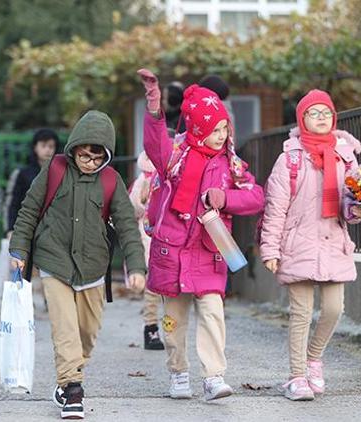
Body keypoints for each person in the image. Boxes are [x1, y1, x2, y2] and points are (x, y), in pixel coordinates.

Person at [9, 110, 146, 420]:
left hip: (94, 266)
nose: (90, 162)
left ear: (106, 156)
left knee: (87, 332)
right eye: (84, 155)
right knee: (65, 329)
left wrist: (136, 267)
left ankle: (68, 376)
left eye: (97, 157)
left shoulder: (112, 180)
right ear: (74, 148)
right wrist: (18, 248)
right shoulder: (55, 169)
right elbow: (29, 210)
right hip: (53, 259)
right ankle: (73, 390)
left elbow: (126, 225)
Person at [138, 69, 264, 401]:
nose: (222, 135)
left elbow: (255, 196)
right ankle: (178, 372)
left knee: (212, 314)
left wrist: (226, 199)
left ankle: (213, 376)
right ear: (197, 128)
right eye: (215, 129)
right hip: (173, 252)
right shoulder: (175, 158)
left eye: (225, 128)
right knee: (173, 321)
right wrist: (154, 107)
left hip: (210, 252)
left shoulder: (231, 164)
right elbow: (154, 144)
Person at [259, 89, 361, 401]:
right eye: (313, 113)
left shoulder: (346, 157)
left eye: (326, 113)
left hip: (334, 243)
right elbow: (275, 207)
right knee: (301, 313)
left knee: (334, 309)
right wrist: (271, 249)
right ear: (302, 119)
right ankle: (296, 377)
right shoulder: (289, 159)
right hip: (297, 244)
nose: (320, 118)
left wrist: (359, 208)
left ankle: (313, 359)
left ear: (333, 118)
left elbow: (351, 206)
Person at [128, 151, 164, 350]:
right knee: (152, 288)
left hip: (170, 237)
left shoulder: (174, 173)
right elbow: (133, 206)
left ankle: (169, 328)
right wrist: (142, 202)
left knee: (168, 292)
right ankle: (151, 328)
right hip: (148, 237)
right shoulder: (143, 179)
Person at [6, 128, 60, 234]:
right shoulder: (22, 174)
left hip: (55, 229)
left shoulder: (62, 172)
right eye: (43, 146)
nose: (47, 150)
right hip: (28, 227)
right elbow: (13, 203)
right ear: (35, 147)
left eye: (51, 146)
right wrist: (10, 228)